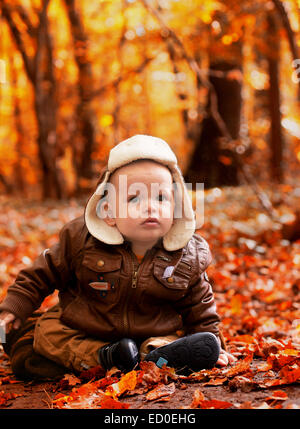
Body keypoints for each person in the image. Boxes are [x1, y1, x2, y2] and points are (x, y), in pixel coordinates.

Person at [0, 135, 235, 380]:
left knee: (166, 341)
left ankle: (156, 357)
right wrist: (14, 308)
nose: (150, 207)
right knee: (48, 331)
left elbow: (201, 306)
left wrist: (213, 345)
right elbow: (40, 274)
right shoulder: (81, 240)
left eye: (161, 198)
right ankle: (107, 356)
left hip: (151, 333)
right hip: (85, 329)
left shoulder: (187, 255)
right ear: (108, 212)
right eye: (134, 198)